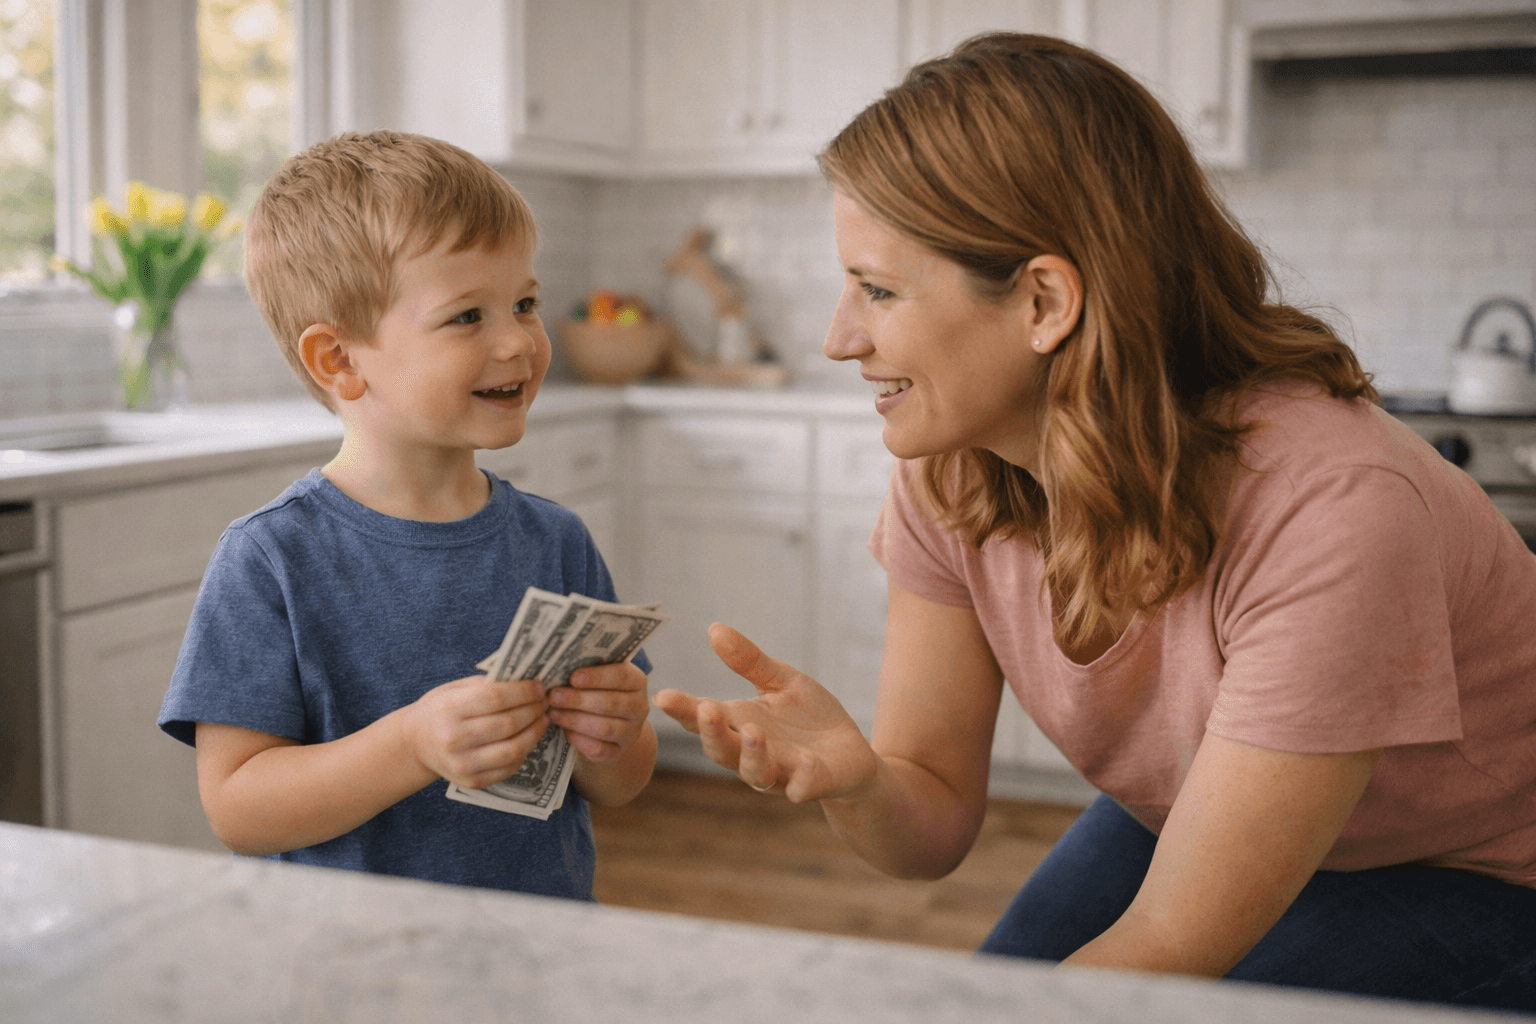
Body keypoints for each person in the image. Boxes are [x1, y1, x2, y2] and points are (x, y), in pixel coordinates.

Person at [654, 33, 1536, 1009]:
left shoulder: (1331, 505)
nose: (838, 337)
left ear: (1043, 301)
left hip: (1488, 863)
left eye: (878, 289)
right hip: (1217, 804)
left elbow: (1168, 942)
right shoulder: (956, 465)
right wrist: (860, 781)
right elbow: (930, 823)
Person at [159, 130, 656, 899]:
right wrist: (412, 744)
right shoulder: (271, 558)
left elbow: (618, 786)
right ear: (339, 361)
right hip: (346, 955)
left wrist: (615, 735)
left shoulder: (557, 540)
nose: (517, 341)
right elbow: (238, 808)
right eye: (467, 316)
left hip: (540, 941)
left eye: (524, 304)